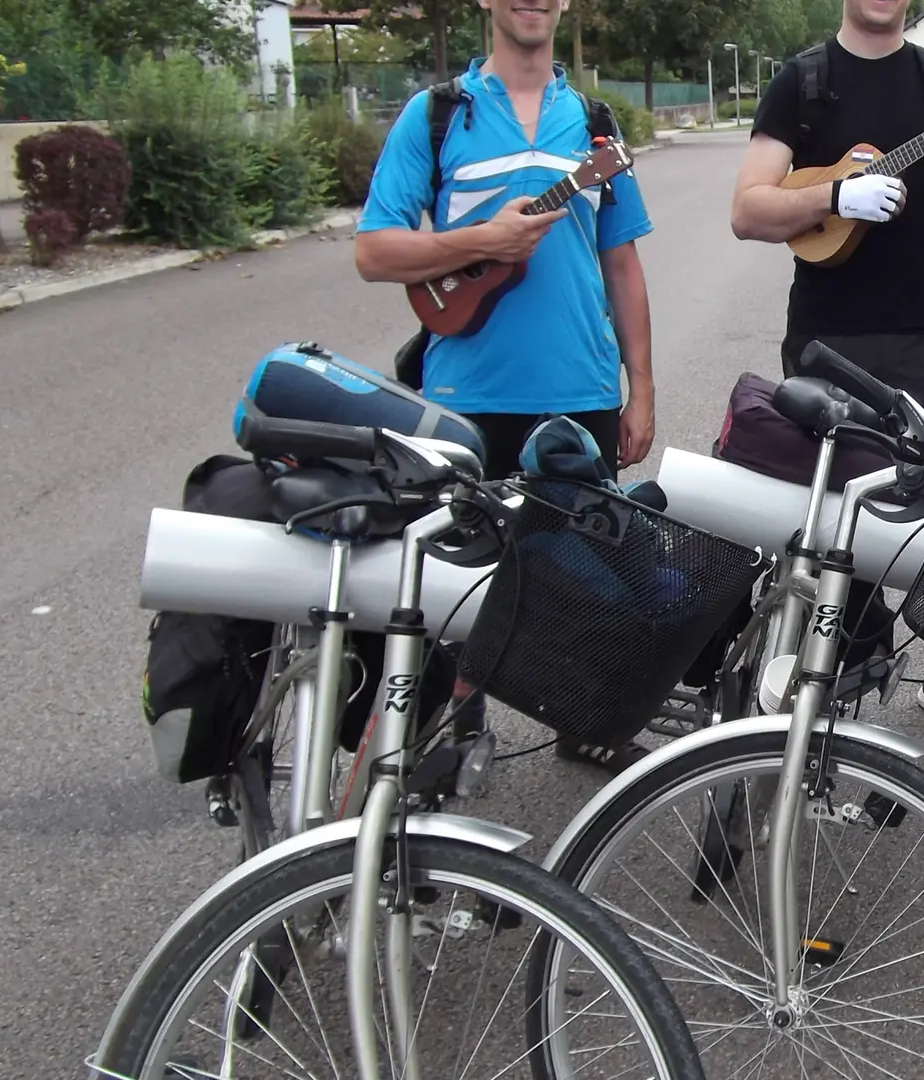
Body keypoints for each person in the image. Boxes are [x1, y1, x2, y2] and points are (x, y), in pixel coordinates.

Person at [353, 0, 657, 775]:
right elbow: (375, 252)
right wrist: (479, 241)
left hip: (580, 393)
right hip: (465, 400)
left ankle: (584, 719)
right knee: (456, 583)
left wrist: (641, 387)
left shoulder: (593, 122)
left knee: (583, 575)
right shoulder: (436, 115)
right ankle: (453, 728)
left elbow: (622, 264)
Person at [730, 0, 924, 740]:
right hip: (828, 340)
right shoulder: (803, 82)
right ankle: (829, 686)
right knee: (829, 519)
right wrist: (833, 195)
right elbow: (749, 209)